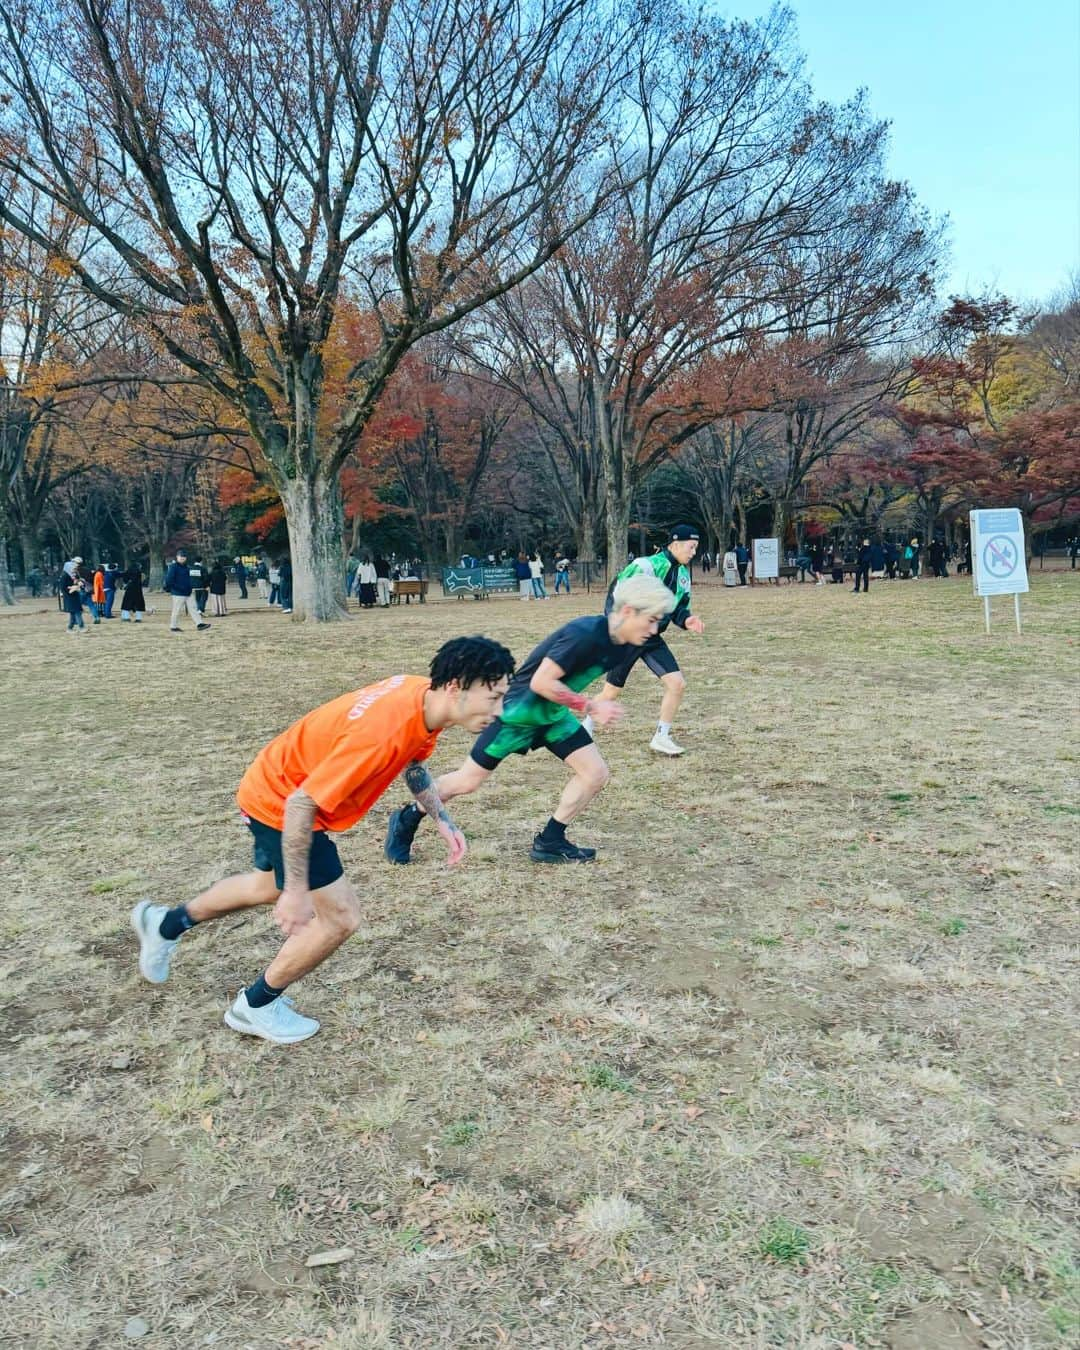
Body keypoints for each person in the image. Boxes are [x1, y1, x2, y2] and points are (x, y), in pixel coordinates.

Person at [131, 636, 516, 1044]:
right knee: (339, 918)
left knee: (265, 886)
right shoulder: (383, 730)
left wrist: (441, 818)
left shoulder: (422, 697)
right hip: (286, 804)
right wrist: (296, 892)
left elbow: (414, 761)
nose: (500, 710)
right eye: (492, 698)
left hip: (268, 785)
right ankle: (255, 1006)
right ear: (455, 687)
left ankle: (165, 924)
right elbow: (301, 805)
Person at [385, 573, 675, 868]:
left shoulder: (628, 641)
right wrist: (590, 706)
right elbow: (541, 682)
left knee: (595, 773)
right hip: (517, 714)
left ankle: (550, 841)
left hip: (552, 716)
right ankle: (406, 818)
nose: (654, 628)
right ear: (627, 611)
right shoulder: (585, 634)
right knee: (467, 781)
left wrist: (687, 619)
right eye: (651, 620)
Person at [584, 525, 705, 757]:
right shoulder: (645, 566)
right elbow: (616, 595)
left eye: (696, 548)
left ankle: (661, 736)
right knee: (611, 692)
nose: (693, 553)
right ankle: (585, 727)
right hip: (629, 637)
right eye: (691, 547)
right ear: (675, 544)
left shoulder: (683, 577)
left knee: (677, 684)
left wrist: (687, 619)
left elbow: (679, 608)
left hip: (652, 639)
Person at [164, 549, 211, 632]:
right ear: (177, 557)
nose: (182, 558)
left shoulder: (187, 567)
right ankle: (173, 626)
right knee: (177, 610)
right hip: (178, 592)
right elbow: (169, 580)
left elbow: (189, 579)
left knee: (193, 608)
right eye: (180, 556)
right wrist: (171, 588)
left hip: (188, 592)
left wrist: (190, 587)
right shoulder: (173, 567)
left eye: (184, 556)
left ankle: (199, 624)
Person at [61, 563, 87, 631]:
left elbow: (79, 582)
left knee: (73, 613)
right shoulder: (64, 576)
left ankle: (70, 628)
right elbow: (63, 588)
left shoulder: (73, 575)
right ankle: (81, 627)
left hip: (75, 596)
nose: (74, 570)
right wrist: (71, 588)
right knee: (77, 612)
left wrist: (79, 584)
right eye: (73, 568)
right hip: (70, 597)